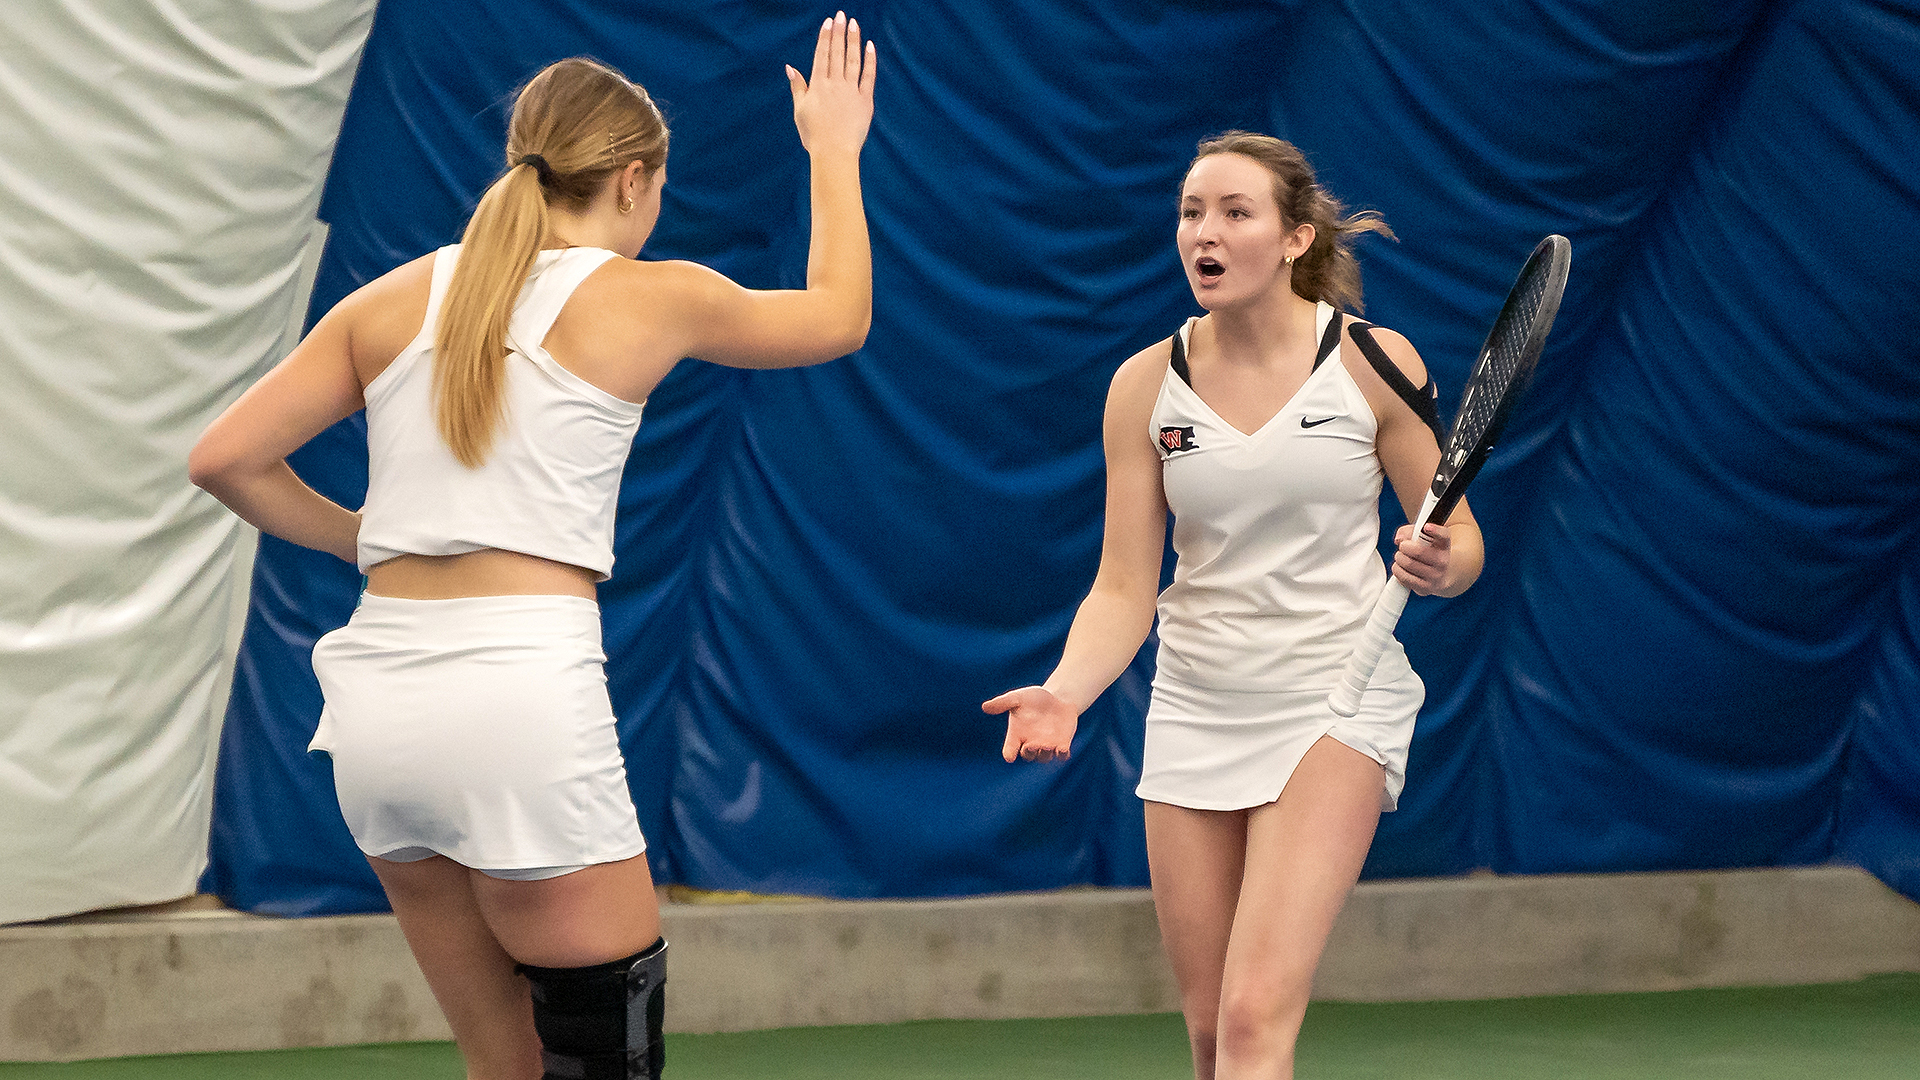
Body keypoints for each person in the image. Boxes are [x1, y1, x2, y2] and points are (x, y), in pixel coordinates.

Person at [190, 16, 875, 1080]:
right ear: (635, 180)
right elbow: (836, 316)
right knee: (610, 1053)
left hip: (378, 708)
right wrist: (834, 149)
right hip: (517, 693)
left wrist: (364, 542)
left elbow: (223, 458)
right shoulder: (654, 296)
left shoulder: (395, 296)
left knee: (500, 1065)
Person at [984, 132, 1483, 1080]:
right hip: (1197, 704)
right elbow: (1125, 586)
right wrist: (1066, 691)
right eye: (1190, 212)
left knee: (1256, 1019)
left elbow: (1460, 538)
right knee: (1214, 1033)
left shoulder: (1373, 363)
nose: (1203, 233)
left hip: (1337, 701)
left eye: (1234, 213)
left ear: (1295, 240)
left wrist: (1440, 561)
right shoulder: (1143, 385)